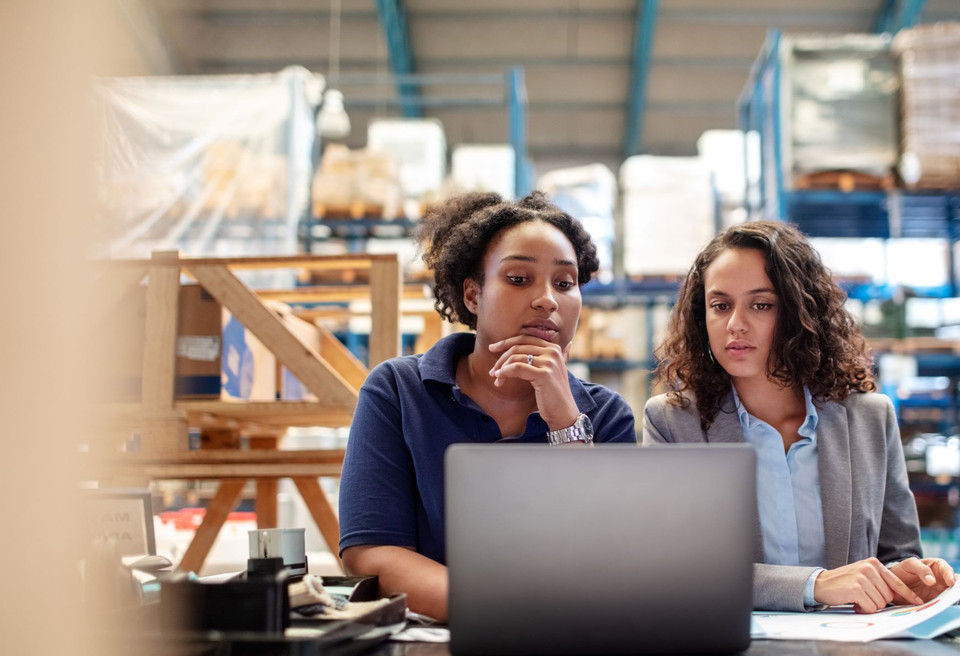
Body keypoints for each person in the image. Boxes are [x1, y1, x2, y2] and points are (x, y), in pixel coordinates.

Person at [339, 191, 637, 620]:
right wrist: (498, 610)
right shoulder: (397, 392)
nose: (547, 300)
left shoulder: (606, 415)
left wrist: (565, 421)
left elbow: (611, 560)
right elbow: (371, 552)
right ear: (473, 295)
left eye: (565, 283)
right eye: (519, 279)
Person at [643, 220, 956, 613]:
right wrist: (815, 585)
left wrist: (911, 578)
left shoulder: (870, 419)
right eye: (720, 305)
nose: (735, 323)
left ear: (798, 312)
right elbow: (675, 571)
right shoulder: (672, 423)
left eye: (761, 305)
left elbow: (897, 554)